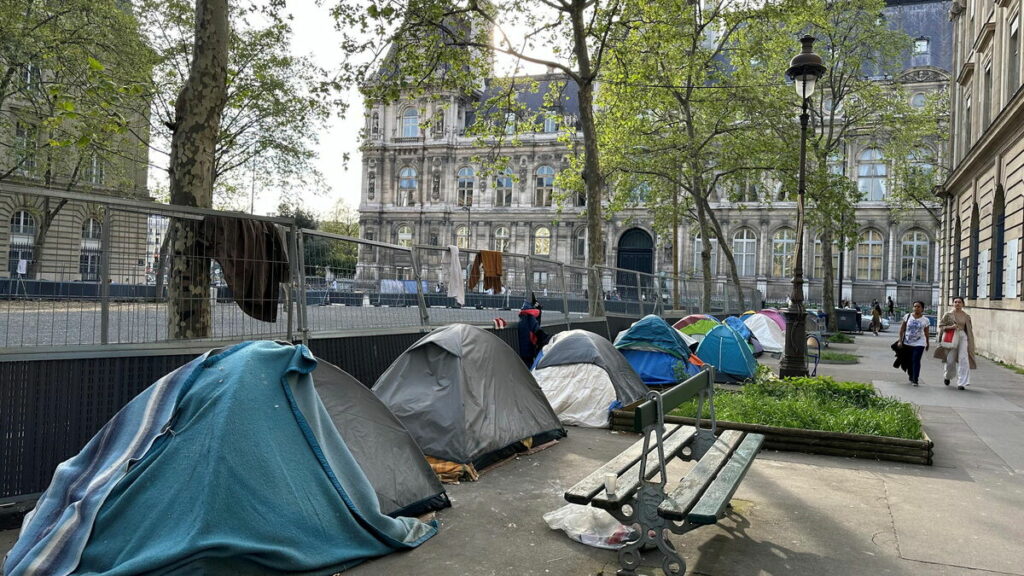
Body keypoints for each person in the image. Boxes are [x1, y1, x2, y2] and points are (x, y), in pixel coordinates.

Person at [933, 296, 977, 390]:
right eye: (955, 302)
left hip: (963, 337)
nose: (957, 304)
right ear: (953, 304)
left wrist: (970, 341)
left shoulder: (966, 316)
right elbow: (941, 326)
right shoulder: (948, 314)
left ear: (963, 304)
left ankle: (962, 383)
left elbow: (969, 329)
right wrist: (951, 327)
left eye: (959, 302)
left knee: (963, 359)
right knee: (950, 360)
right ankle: (947, 376)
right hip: (951, 336)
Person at [897, 301, 930, 386]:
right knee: (909, 361)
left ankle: (915, 379)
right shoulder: (907, 316)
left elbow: (926, 333)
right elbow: (902, 329)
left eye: (918, 307)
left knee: (916, 360)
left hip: (920, 343)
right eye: (915, 306)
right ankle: (911, 375)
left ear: (922, 308)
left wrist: (927, 343)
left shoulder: (925, 320)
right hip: (907, 343)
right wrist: (900, 341)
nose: (916, 308)